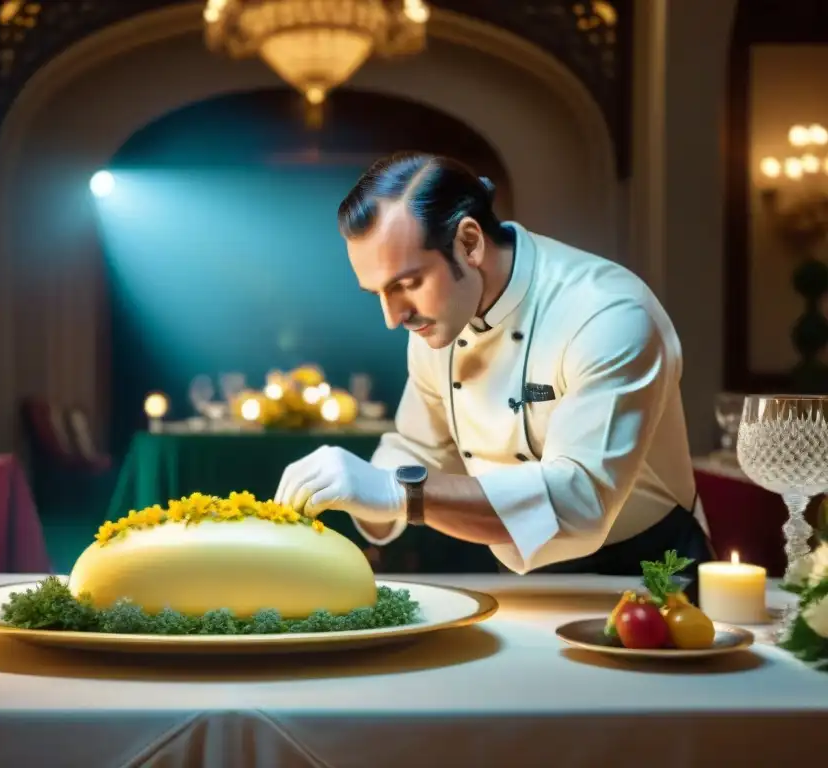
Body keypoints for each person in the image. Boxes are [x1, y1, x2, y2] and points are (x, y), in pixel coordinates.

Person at [274, 151, 714, 583]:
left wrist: (398, 492)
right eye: (378, 294)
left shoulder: (608, 313)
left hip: (650, 573)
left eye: (406, 284)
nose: (393, 318)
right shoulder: (437, 324)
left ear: (469, 242)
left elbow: (580, 501)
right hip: (518, 578)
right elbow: (420, 449)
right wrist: (360, 497)